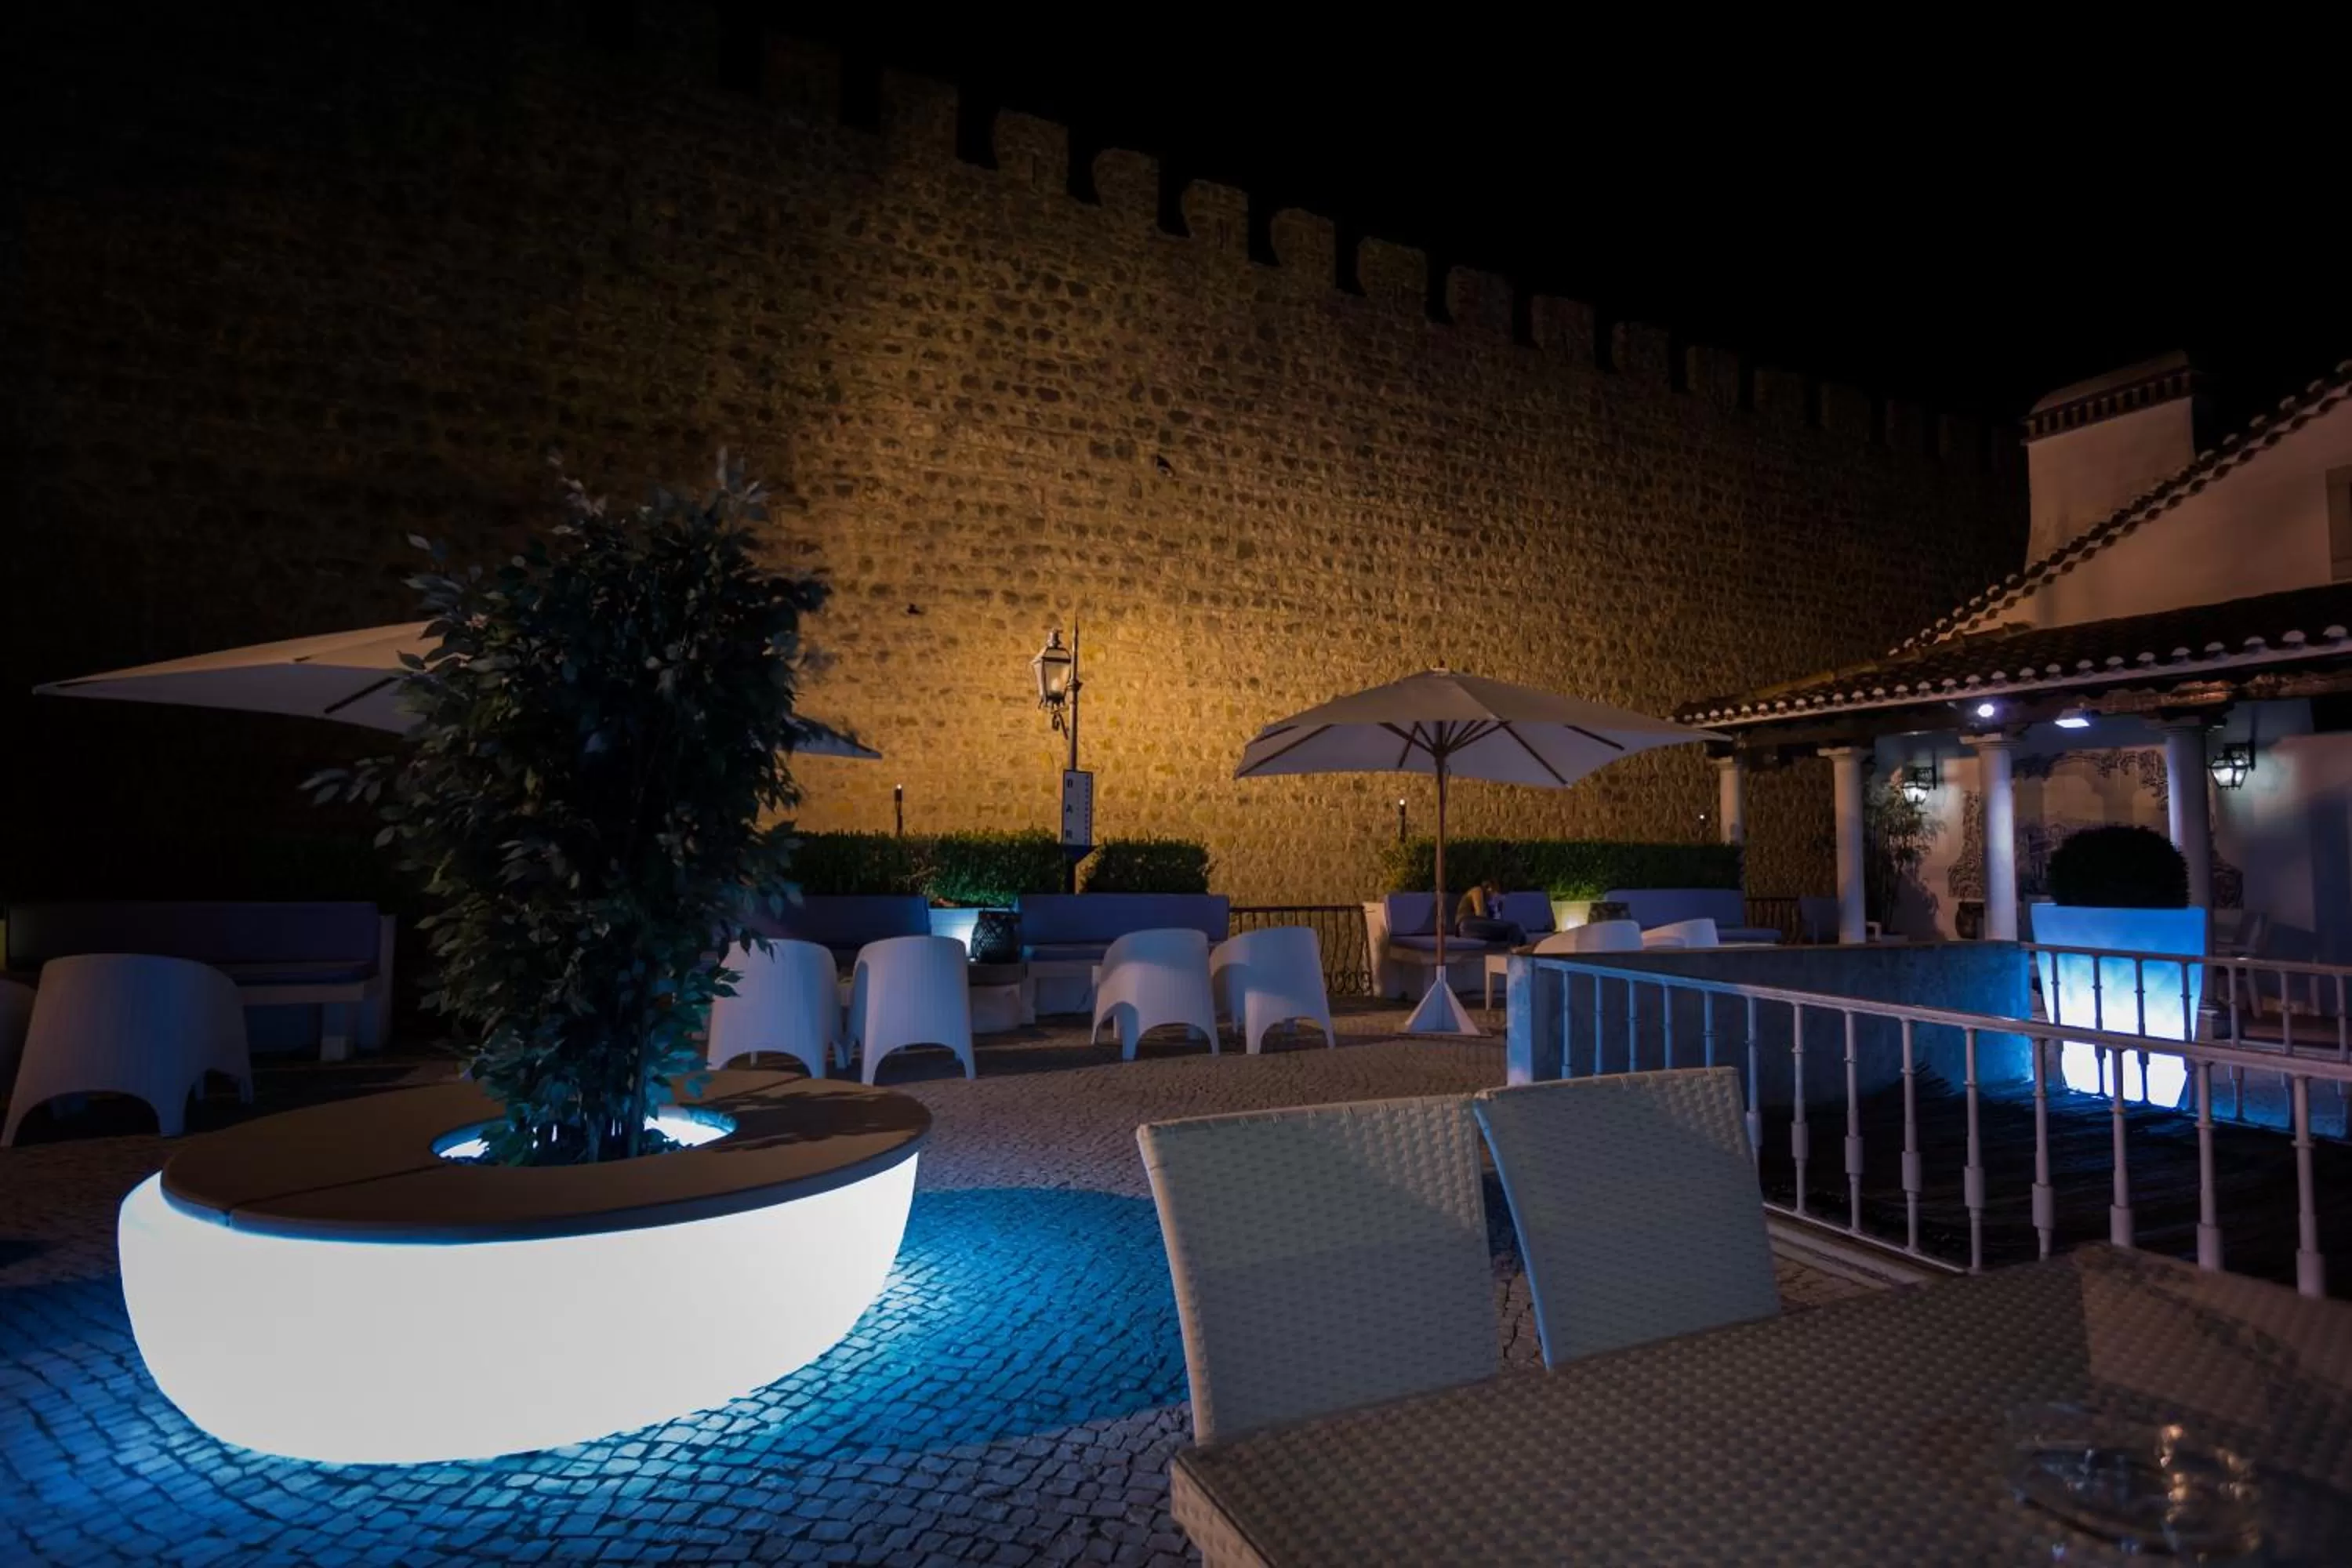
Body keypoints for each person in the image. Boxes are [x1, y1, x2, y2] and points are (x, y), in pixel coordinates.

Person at [1454, 880, 1526, 946]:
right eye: (1496, 894)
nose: (1497, 897)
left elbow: (1492, 921)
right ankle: (1511, 948)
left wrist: (1496, 910)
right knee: (1514, 927)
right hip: (1467, 923)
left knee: (1515, 930)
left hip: (1469, 927)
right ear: (1490, 889)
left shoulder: (1487, 900)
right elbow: (1480, 914)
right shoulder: (1478, 891)